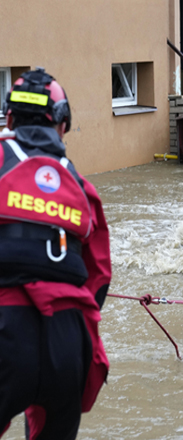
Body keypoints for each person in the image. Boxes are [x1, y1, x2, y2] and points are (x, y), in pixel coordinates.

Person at [0, 68, 112, 439]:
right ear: (62, 125)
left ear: (9, 118)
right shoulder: (81, 186)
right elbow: (99, 276)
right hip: (67, 343)